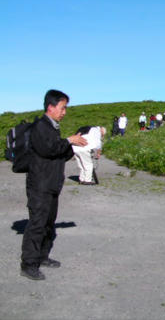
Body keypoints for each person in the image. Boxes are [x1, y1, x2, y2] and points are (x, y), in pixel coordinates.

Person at [20, 89, 88, 281]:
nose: (64, 112)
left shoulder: (53, 127)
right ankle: (28, 264)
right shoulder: (40, 126)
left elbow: (58, 153)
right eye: (62, 107)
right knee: (37, 224)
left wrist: (73, 145)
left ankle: (42, 257)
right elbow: (48, 149)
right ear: (50, 107)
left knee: (49, 223)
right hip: (40, 185)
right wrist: (68, 140)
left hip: (51, 184)